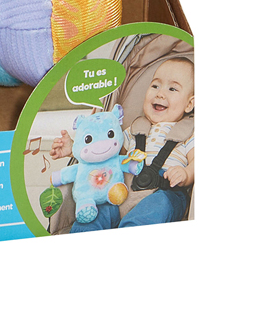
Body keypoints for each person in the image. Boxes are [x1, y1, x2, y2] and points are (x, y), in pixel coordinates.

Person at [51, 56, 194, 230]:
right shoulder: (135, 129)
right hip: (122, 191)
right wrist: (75, 148)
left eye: (172, 89)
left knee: (158, 206)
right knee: (97, 212)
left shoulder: (188, 133)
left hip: (165, 191)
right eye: (155, 86)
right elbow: (105, 153)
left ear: (189, 104)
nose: (160, 93)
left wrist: (186, 173)